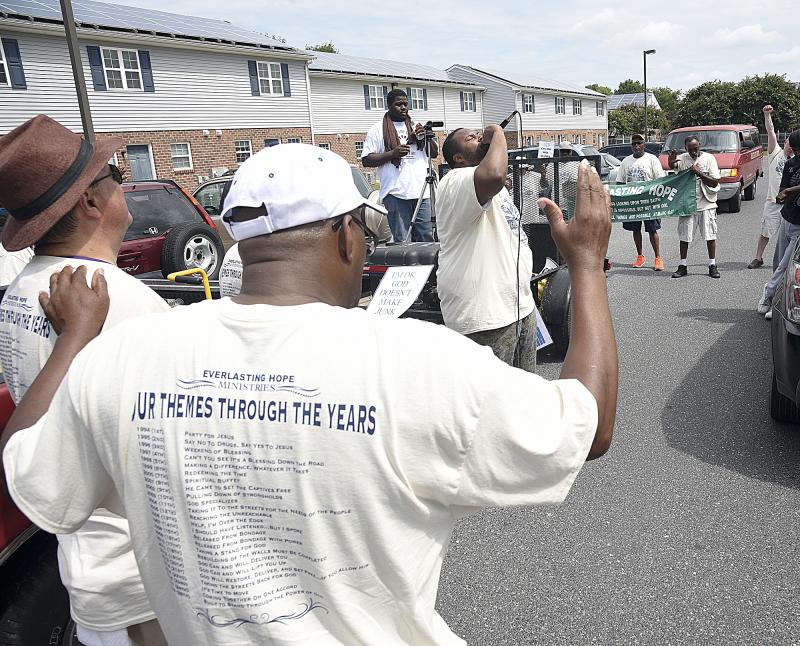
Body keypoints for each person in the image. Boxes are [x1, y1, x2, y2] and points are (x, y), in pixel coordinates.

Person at [2, 144, 618, 646]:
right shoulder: (417, 362)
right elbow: (587, 428)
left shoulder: (119, 355)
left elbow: (33, 479)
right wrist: (587, 265)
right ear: (348, 235)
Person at [0, 115, 169, 646]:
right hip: (141, 574)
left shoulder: (21, 289)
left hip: (83, 560)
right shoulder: (128, 304)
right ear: (90, 204)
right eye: (115, 174)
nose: (125, 186)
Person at [437, 125, 537, 372]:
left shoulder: (492, 187)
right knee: (491, 405)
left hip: (518, 306)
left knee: (524, 397)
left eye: (480, 134)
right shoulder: (456, 180)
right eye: (472, 138)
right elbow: (494, 175)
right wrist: (498, 133)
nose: (481, 138)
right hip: (485, 317)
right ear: (457, 158)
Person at [361, 89, 438, 243]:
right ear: (389, 105)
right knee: (403, 241)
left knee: (427, 237)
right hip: (395, 193)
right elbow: (366, 160)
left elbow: (434, 153)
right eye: (398, 104)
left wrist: (426, 137)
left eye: (405, 104)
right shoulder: (377, 129)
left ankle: (428, 267)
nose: (403, 107)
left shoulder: (416, 126)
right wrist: (392, 154)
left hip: (422, 193)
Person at [757, 129, 800, 319]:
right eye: (796, 150)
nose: (797, 153)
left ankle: (770, 294)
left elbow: (788, 189)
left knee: (786, 265)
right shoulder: (791, 164)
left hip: (799, 226)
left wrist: (790, 190)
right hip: (787, 218)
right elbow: (783, 189)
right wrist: (782, 195)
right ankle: (776, 299)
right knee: (779, 262)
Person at [668, 135, 721, 278]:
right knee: (684, 236)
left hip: (706, 203)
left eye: (695, 148)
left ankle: (712, 265)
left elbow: (715, 182)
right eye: (690, 149)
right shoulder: (684, 158)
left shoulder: (709, 159)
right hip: (688, 204)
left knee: (710, 235)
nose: (693, 152)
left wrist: (698, 172)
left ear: (700, 146)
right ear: (686, 148)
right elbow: (673, 166)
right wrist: (671, 160)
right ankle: (683, 265)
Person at [748, 105, 793, 269]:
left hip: (791, 202)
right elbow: (771, 131)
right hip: (773, 201)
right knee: (766, 231)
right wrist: (767, 115)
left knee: (792, 233)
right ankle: (758, 258)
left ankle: (788, 260)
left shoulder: (796, 159)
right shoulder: (775, 152)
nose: (790, 145)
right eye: (788, 142)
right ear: (785, 141)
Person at [616, 134, 665, 270]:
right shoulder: (626, 161)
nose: (636, 146)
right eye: (634, 143)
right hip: (633, 203)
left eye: (639, 143)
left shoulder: (652, 159)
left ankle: (658, 258)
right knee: (635, 230)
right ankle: (640, 256)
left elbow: (660, 180)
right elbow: (620, 182)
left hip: (649, 202)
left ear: (644, 144)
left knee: (652, 229)